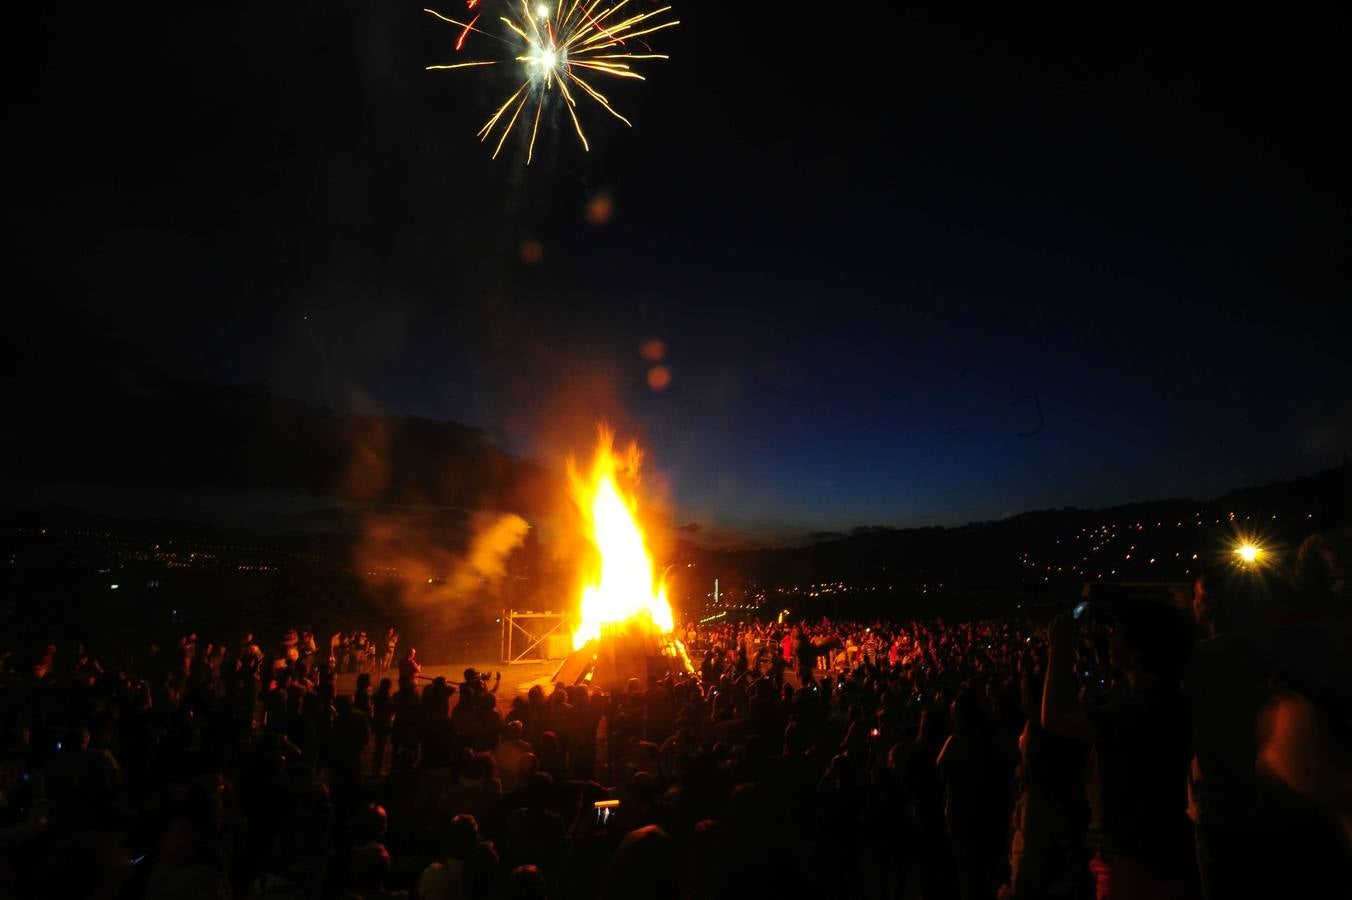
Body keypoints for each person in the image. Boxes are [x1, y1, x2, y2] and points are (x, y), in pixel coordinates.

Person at [1042, 602, 1195, 899]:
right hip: (1158, 857)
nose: (1109, 638)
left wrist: (1058, 648)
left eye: (1116, 633)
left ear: (1138, 648)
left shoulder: (1137, 709)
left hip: (1134, 866)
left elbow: (1055, 718)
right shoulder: (1168, 699)